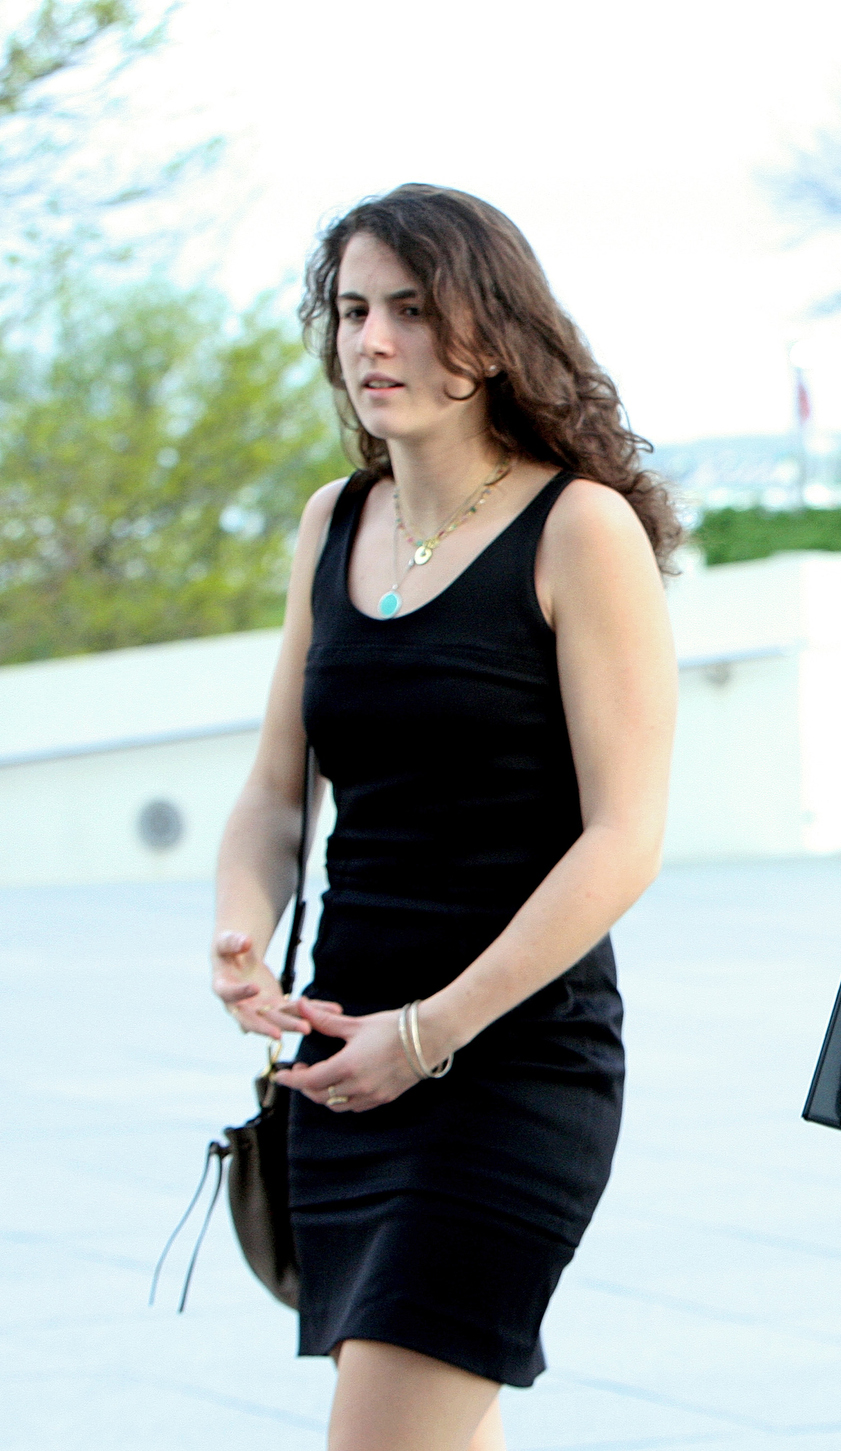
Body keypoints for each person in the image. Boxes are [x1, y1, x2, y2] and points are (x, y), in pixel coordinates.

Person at [207, 184, 677, 1451]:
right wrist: (240, 935)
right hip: (345, 1058)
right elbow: (271, 790)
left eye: (410, 311)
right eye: (353, 311)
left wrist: (432, 1032)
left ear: (489, 331)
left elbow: (625, 834)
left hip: (512, 1063)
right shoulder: (331, 523)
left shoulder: (579, 529)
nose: (371, 342)